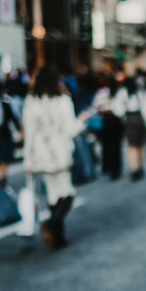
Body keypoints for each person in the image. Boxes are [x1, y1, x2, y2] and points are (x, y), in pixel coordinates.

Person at [23, 66, 92, 249]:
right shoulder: (63, 99)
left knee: (53, 193)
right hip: (60, 149)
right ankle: (55, 224)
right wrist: (82, 121)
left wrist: (28, 160)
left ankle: (57, 232)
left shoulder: (31, 101)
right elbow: (71, 129)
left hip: (41, 153)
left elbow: (29, 133)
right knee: (67, 192)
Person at [112, 75, 146, 181]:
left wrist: (123, 115)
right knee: (141, 145)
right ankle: (141, 166)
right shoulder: (141, 93)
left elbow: (116, 107)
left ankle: (134, 169)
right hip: (140, 119)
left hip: (129, 120)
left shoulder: (122, 93)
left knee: (132, 146)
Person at [93, 77, 124, 180]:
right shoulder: (118, 92)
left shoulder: (101, 92)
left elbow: (95, 106)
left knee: (107, 146)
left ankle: (108, 167)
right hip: (116, 121)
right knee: (116, 146)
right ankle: (117, 168)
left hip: (106, 121)